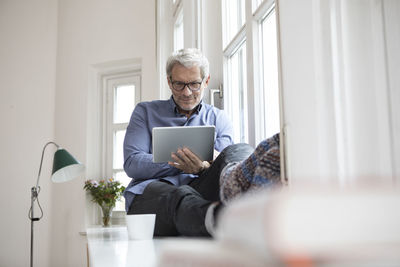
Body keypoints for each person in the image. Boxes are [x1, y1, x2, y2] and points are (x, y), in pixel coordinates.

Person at [123, 48, 252, 236]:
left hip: (202, 191)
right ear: (169, 82)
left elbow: (223, 161)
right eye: (179, 84)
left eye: (194, 84)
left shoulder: (219, 118)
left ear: (206, 81)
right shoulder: (145, 112)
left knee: (239, 149)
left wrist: (203, 168)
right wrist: (182, 164)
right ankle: (225, 222)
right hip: (153, 197)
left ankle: (245, 199)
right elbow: (132, 164)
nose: (186, 92)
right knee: (179, 195)